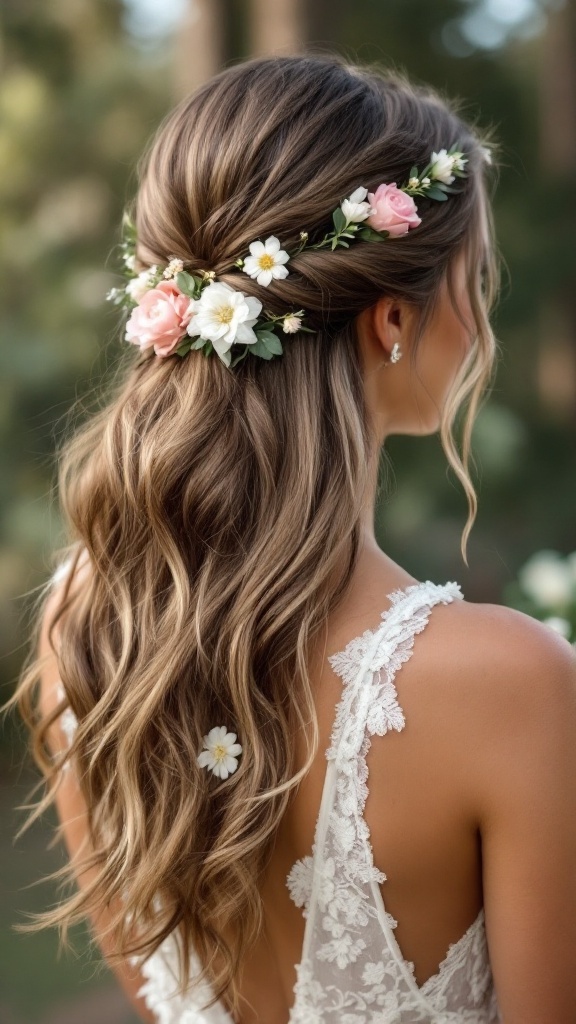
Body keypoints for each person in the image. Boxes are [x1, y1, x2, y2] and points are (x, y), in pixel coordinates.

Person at [9, 53, 576, 1024]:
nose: (480, 321)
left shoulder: (84, 625)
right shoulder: (511, 683)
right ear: (393, 321)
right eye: (474, 279)